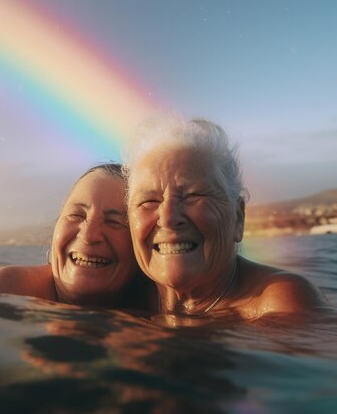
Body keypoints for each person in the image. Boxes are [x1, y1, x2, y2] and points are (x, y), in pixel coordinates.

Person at [124, 117, 325, 319]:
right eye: (148, 201)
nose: (168, 218)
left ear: (238, 218)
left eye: (193, 196)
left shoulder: (280, 304)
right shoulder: (125, 298)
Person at [0, 164, 153, 310]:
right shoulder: (7, 294)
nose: (89, 235)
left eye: (115, 222)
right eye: (77, 215)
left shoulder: (156, 308)